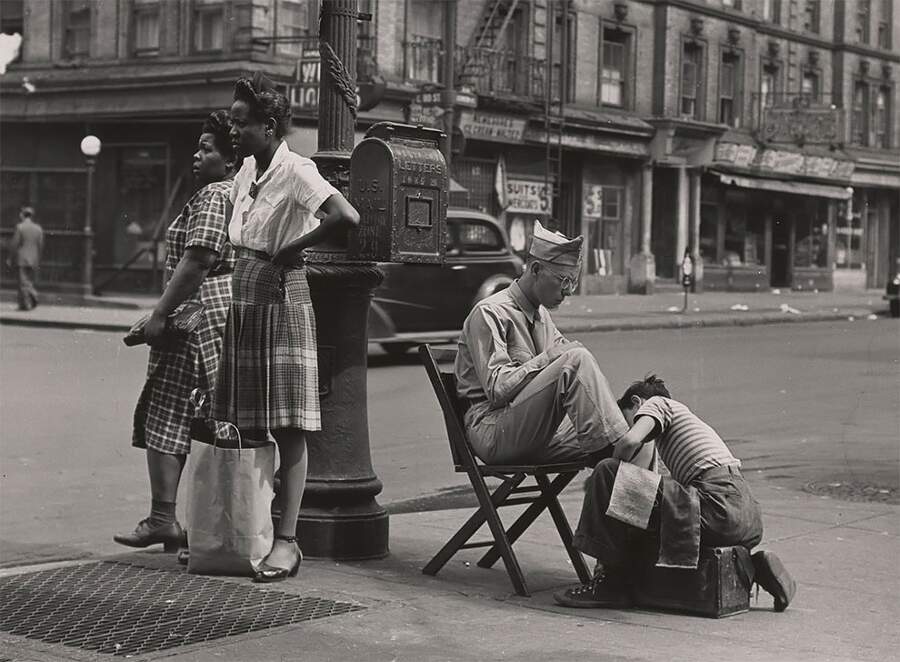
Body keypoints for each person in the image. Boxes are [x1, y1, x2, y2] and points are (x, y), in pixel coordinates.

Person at [210, 74, 360, 583]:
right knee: (248, 422)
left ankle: (287, 542)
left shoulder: (298, 170)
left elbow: (346, 214)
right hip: (245, 292)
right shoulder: (248, 168)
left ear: (268, 125)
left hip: (281, 295)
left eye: (241, 122)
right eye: (232, 121)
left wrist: (298, 247)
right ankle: (248, 530)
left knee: (289, 427)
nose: (233, 130)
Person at [554, 375, 796, 612]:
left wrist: (608, 476)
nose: (632, 425)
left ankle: (609, 585)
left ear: (637, 403)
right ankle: (752, 568)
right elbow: (649, 488)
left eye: (629, 419)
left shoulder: (657, 405)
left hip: (718, 503)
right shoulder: (683, 428)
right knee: (654, 516)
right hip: (745, 515)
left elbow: (629, 443)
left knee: (607, 470)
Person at [114, 111, 238, 554]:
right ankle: (166, 520)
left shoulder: (215, 196)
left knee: (183, 414)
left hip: (197, 317)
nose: (197, 154)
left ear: (231, 159)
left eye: (207, 148)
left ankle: (201, 526)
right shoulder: (235, 193)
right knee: (182, 412)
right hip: (209, 316)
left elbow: (199, 259)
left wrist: (159, 316)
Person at [455, 221, 654, 468]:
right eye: (564, 281)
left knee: (639, 434)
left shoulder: (542, 316)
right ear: (536, 269)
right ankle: (612, 455)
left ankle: (623, 482)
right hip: (493, 430)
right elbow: (497, 390)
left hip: (537, 433)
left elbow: (573, 375)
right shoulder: (489, 312)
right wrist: (553, 356)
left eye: (573, 283)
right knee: (575, 359)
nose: (568, 291)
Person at [8, 206, 44, 311]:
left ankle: (29, 302)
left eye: (21, 214)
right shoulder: (38, 228)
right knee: (27, 281)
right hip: (33, 259)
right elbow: (40, 245)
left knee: (22, 282)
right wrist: (37, 258)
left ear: (23, 215)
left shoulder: (20, 227)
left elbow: (14, 244)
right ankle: (24, 304)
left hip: (22, 258)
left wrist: (10, 258)